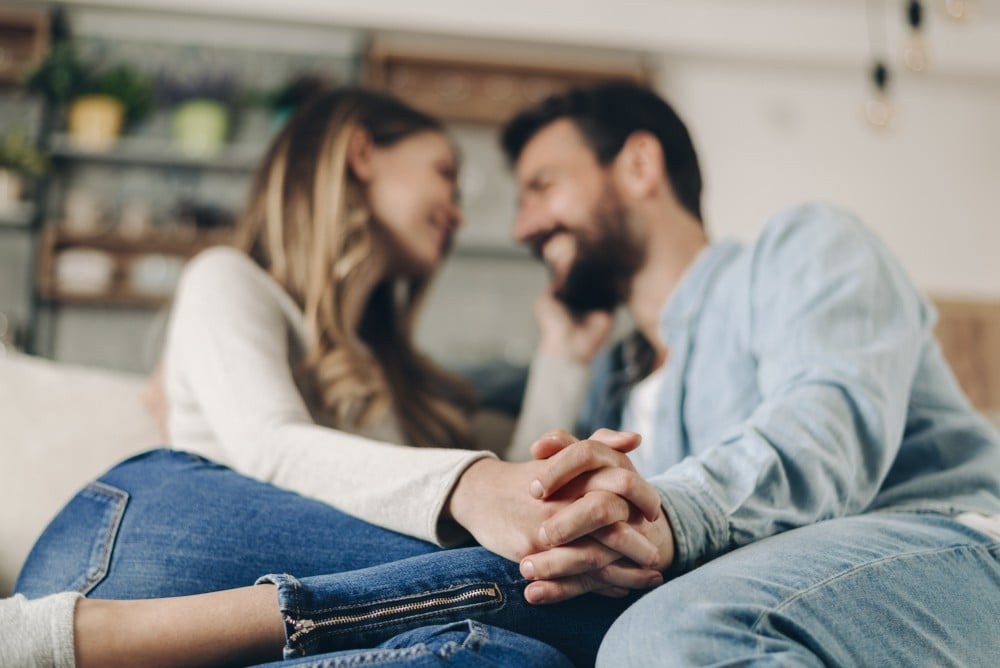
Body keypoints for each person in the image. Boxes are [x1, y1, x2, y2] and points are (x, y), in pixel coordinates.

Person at [13, 81, 1000, 667]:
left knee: (668, 632)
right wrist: (565, 374)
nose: (518, 223)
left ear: (640, 167)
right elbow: (500, 464)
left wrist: (662, 510)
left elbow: (825, 424)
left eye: (541, 185)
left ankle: (80, 632)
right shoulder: (615, 382)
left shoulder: (801, 248)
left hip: (933, 539)